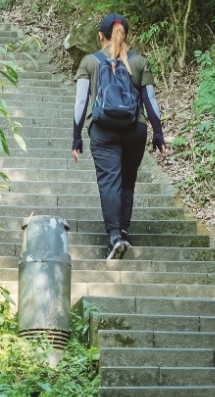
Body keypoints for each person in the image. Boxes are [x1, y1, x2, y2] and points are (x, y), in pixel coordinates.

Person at [71, 13, 167, 259]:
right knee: (127, 180)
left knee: (109, 181)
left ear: (100, 36)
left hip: (103, 129)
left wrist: (76, 136)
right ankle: (124, 231)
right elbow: (150, 100)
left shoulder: (90, 62)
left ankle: (114, 235)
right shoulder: (139, 62)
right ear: (126, 35)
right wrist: (158, 132)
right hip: (135, 128)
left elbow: (82, 101)